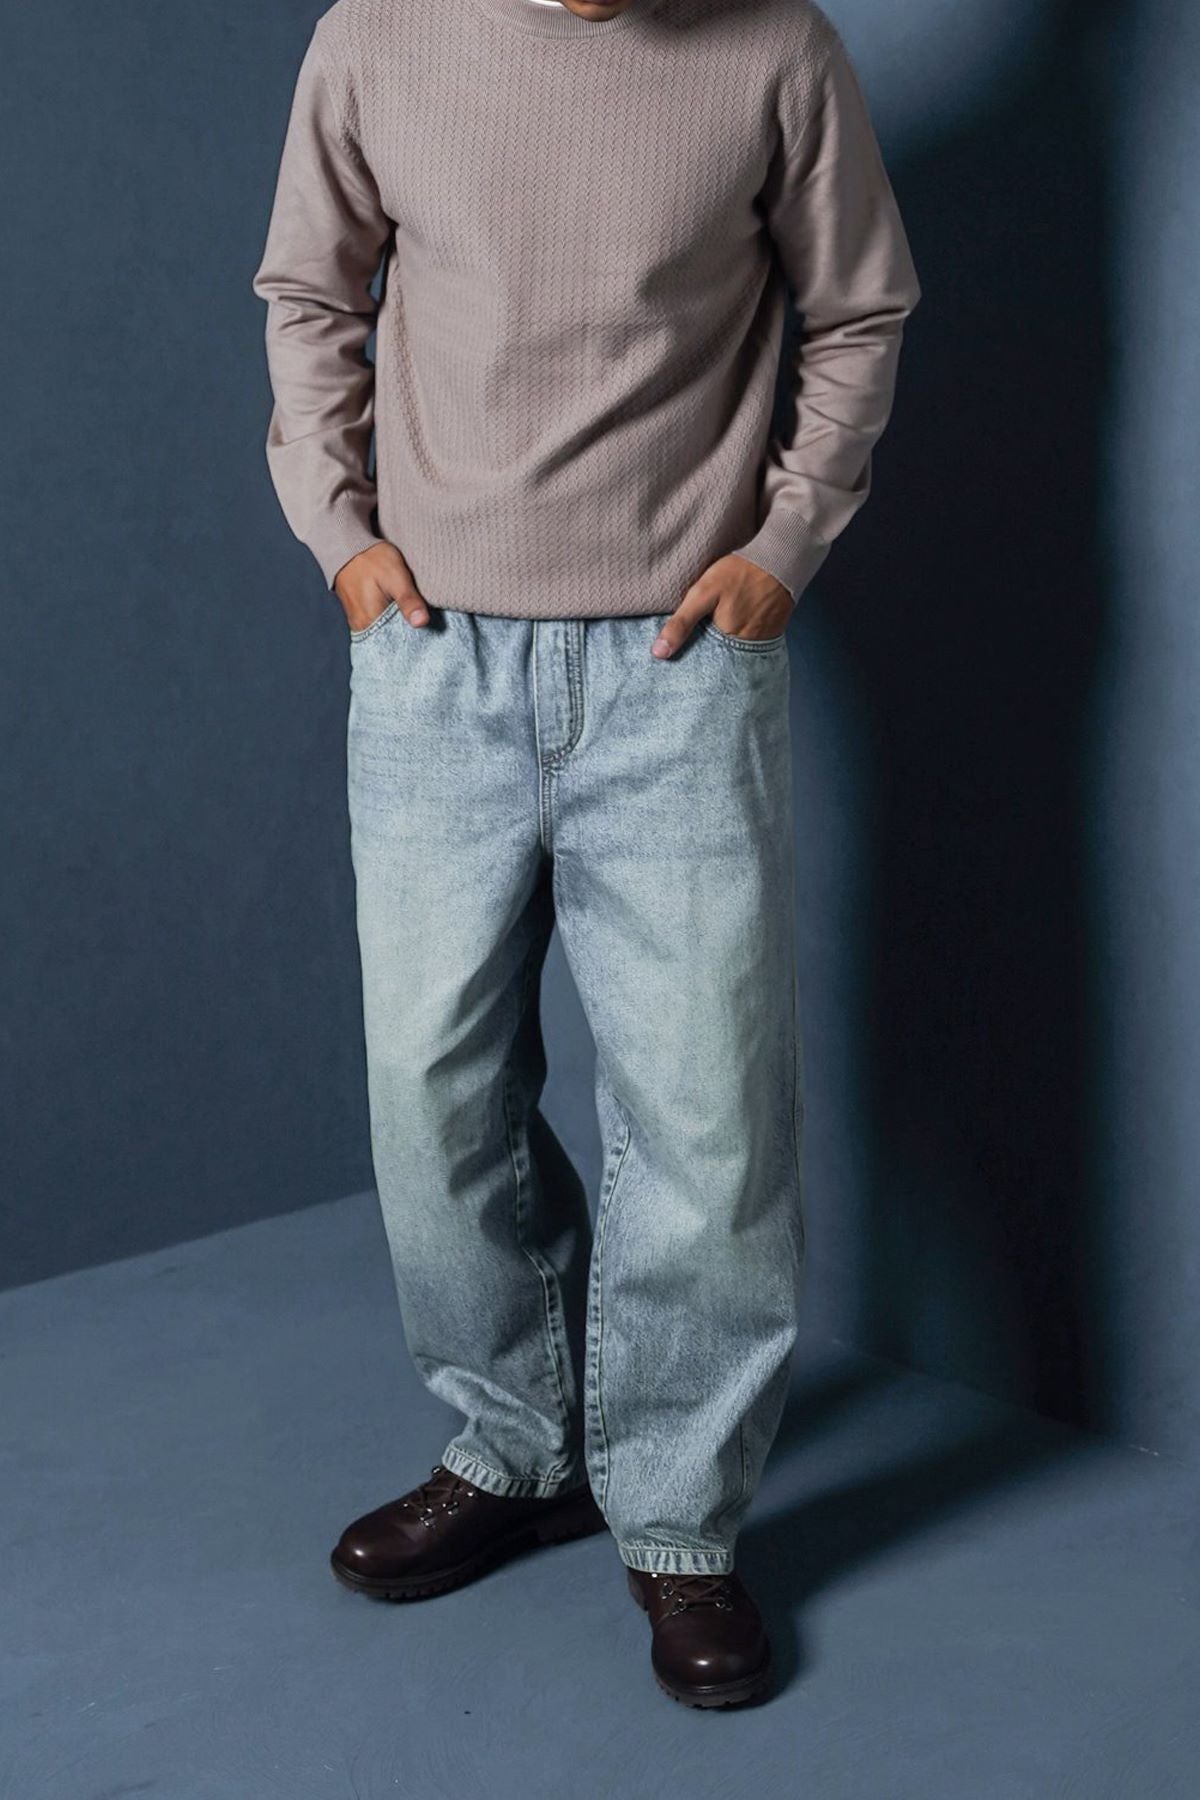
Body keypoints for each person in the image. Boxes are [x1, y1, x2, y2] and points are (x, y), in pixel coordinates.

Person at [251, 0, 919, 1709]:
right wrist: (341, 536)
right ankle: (518, 1442)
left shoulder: (778, 51)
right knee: (432, 1089)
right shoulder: (375, 36)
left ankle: (682, 1521)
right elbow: (310, 294)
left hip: (682, 665)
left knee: (705, 1112)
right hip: (435, 657)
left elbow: (859, 308)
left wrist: (783, 547)